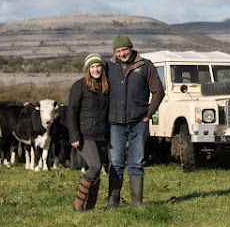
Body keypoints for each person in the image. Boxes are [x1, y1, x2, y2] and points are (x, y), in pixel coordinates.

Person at [107, 34, 165, 208]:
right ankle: (113, 204)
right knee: (116, 163)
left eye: (124, 49)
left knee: (136, 163)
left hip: (138, 122)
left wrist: (148, 113)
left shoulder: (146, 65)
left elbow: (158, 92)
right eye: (118, 51)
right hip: (115, 123)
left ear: (131, 47)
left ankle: (137, 205)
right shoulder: (108, 67)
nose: (122, 54)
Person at [68, 53, 109, 212]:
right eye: (92, 67)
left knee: (97, 171)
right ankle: (78, 204)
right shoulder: (79, 86)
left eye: (98, 66)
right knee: (95, 165)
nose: (96, 69)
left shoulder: (106, 86)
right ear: (87, 69)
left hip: (102, 134)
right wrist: (74, 135)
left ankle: (90, 208)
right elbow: (71, 112)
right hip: (85, 135)